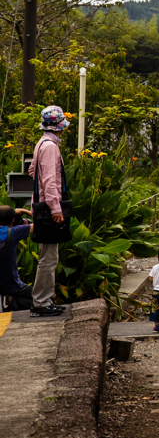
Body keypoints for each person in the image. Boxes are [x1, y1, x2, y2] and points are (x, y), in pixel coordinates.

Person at [28, 105, 70, 317]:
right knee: (49, 258)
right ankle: (42, 301)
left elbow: (33, 171)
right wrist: (56, 207)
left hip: (41, 205)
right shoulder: (51, 147)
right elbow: (49, 180)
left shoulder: (41, 143)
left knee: (48, 255)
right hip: (47, 208)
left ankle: (44, 299)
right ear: (58, 127)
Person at [0, 205, 34, 312]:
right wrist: (26, 212)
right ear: (13, 219)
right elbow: (40, 225)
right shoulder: (13, 232)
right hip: (11, 284)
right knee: (44, 298)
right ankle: (10, 301)